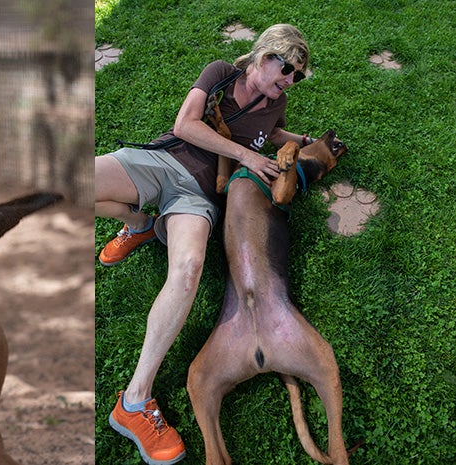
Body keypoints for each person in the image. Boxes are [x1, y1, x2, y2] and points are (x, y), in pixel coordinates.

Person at [96, 24, 313, 465]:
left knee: (189, 269)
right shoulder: (219, 74)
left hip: (197, 197)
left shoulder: (278, 102)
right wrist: (245, 156)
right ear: (264, 55)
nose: (289, 81)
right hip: (162, 159)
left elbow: (270, 134)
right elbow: (185, 124)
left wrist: (298, 142)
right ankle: (139, 223)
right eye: (286, 68)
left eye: (297, 77)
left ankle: (134, 402)